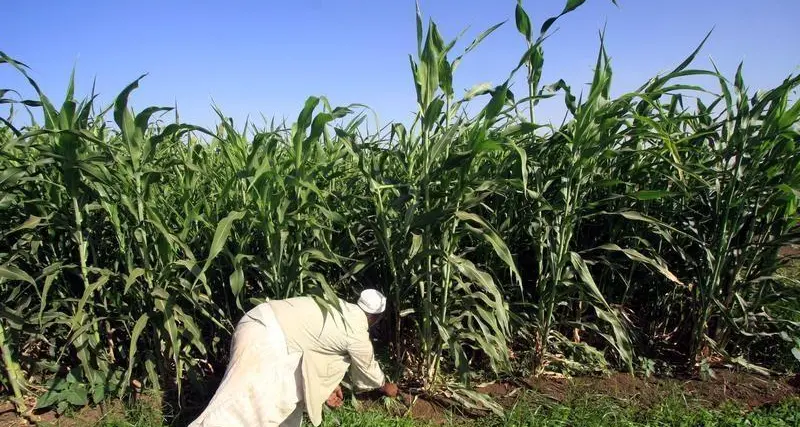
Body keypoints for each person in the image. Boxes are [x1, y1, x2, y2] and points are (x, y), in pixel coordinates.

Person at [188, 289, 399, 427]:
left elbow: (316, 351)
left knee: (281, 410)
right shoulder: (357, 332)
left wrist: (325, 387)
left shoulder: (336, 307)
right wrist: (385, 386)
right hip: (269, 340)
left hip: (257, 322)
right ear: (377, 317)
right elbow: (368, 371)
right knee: (240, 407)